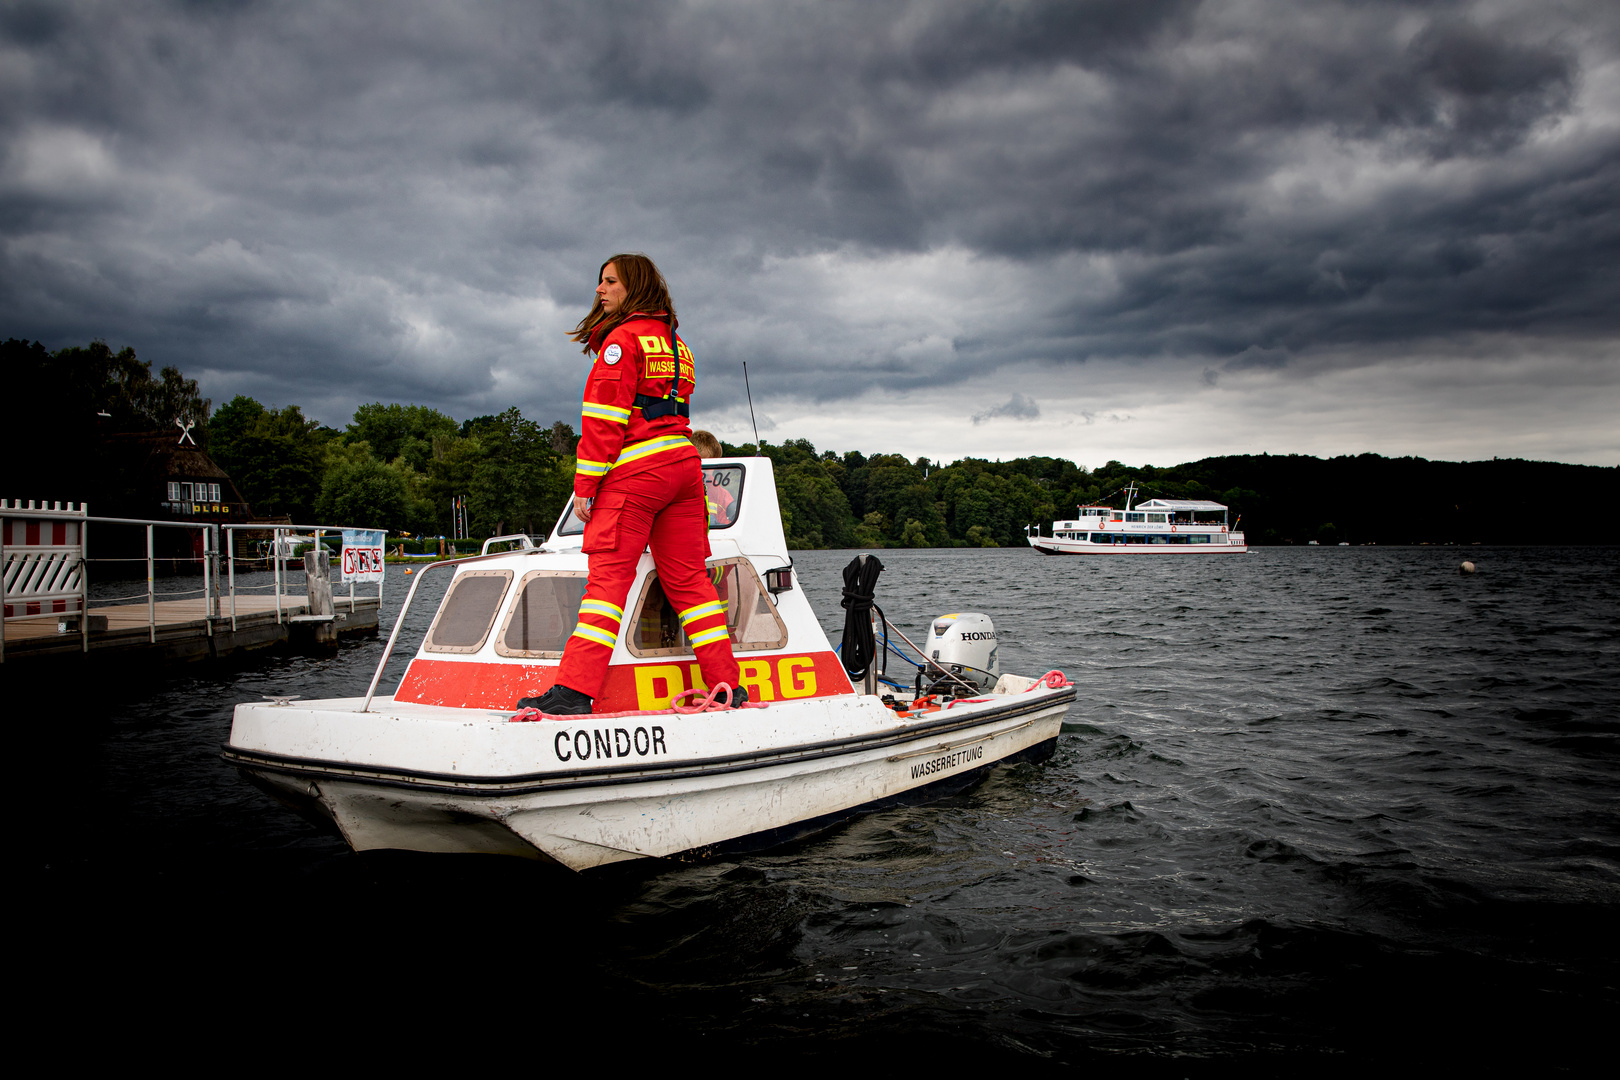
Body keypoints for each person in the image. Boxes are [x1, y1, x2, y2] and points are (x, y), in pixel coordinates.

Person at [517, 255, 745, 715]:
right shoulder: (676, 345)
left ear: (633, 287)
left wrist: (586, 486)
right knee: (691, 585)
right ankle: (728, 686)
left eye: (610, 281)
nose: (600, 290)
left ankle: (575, 693)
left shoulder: (621, 342)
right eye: (599, 281)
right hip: (684, 470)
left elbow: (604, 421)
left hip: (638, 475)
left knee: (606, 585)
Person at [690, 429, 737, 527]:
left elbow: (731, 514)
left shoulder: (721, 492)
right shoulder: (682, 487)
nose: (710, 469)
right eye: (705, 464)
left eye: (713, 465)